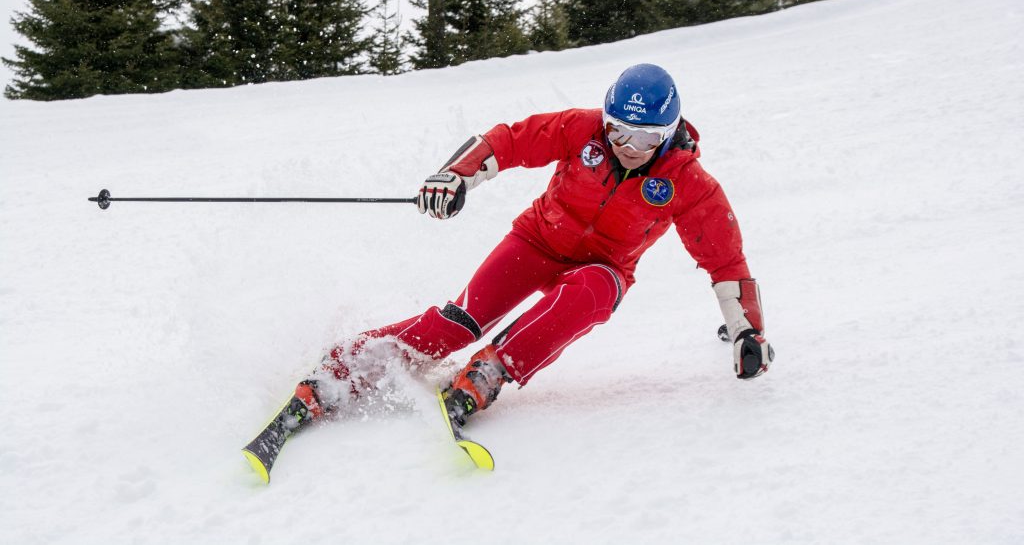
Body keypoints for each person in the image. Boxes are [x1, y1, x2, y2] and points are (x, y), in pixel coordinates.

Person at [284, 63, 773, 436]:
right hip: (536, 241)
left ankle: (489, 372)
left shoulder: (689, 182)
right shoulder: (582, 130)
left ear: (668, 133)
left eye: (644, 137)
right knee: (456, 325)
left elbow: (726, 262)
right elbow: (510, 141)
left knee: (594, 292)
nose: (626, 145)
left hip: (602, 268)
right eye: (618, 129)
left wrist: (747, 334)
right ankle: (341, 369)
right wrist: (454, 177)